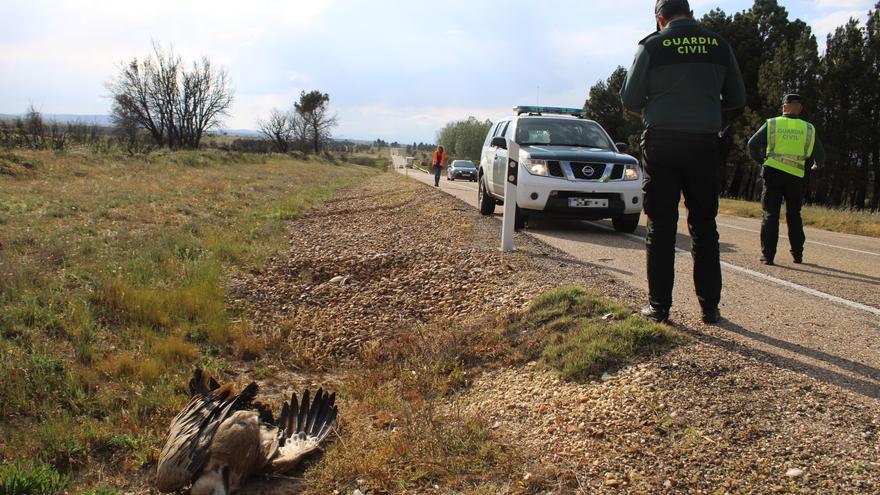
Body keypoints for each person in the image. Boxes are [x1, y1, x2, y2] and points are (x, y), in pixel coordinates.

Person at [620, 0, 746, 324]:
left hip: (662, 142)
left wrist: (655, 106)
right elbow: (738, 98)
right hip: (704, 143)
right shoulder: (718, 45)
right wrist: (707, 106)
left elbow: (630, 98)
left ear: (660, 18)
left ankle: (659, 307)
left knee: (661, 227)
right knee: (705, 226)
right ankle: (710, 309)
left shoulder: (652, 45)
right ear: (690, 13)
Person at [748, 94, 825, 266]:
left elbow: (752, 144)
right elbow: (820, 155)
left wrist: (762, 161)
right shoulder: (809, 129)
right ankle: (798, 255)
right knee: (794, 215)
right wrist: (815, 166)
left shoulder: (773, 123)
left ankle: (768, 256)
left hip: (773, 174)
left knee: (770, 215)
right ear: (800, 109)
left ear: (784, 107)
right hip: (796, 178)